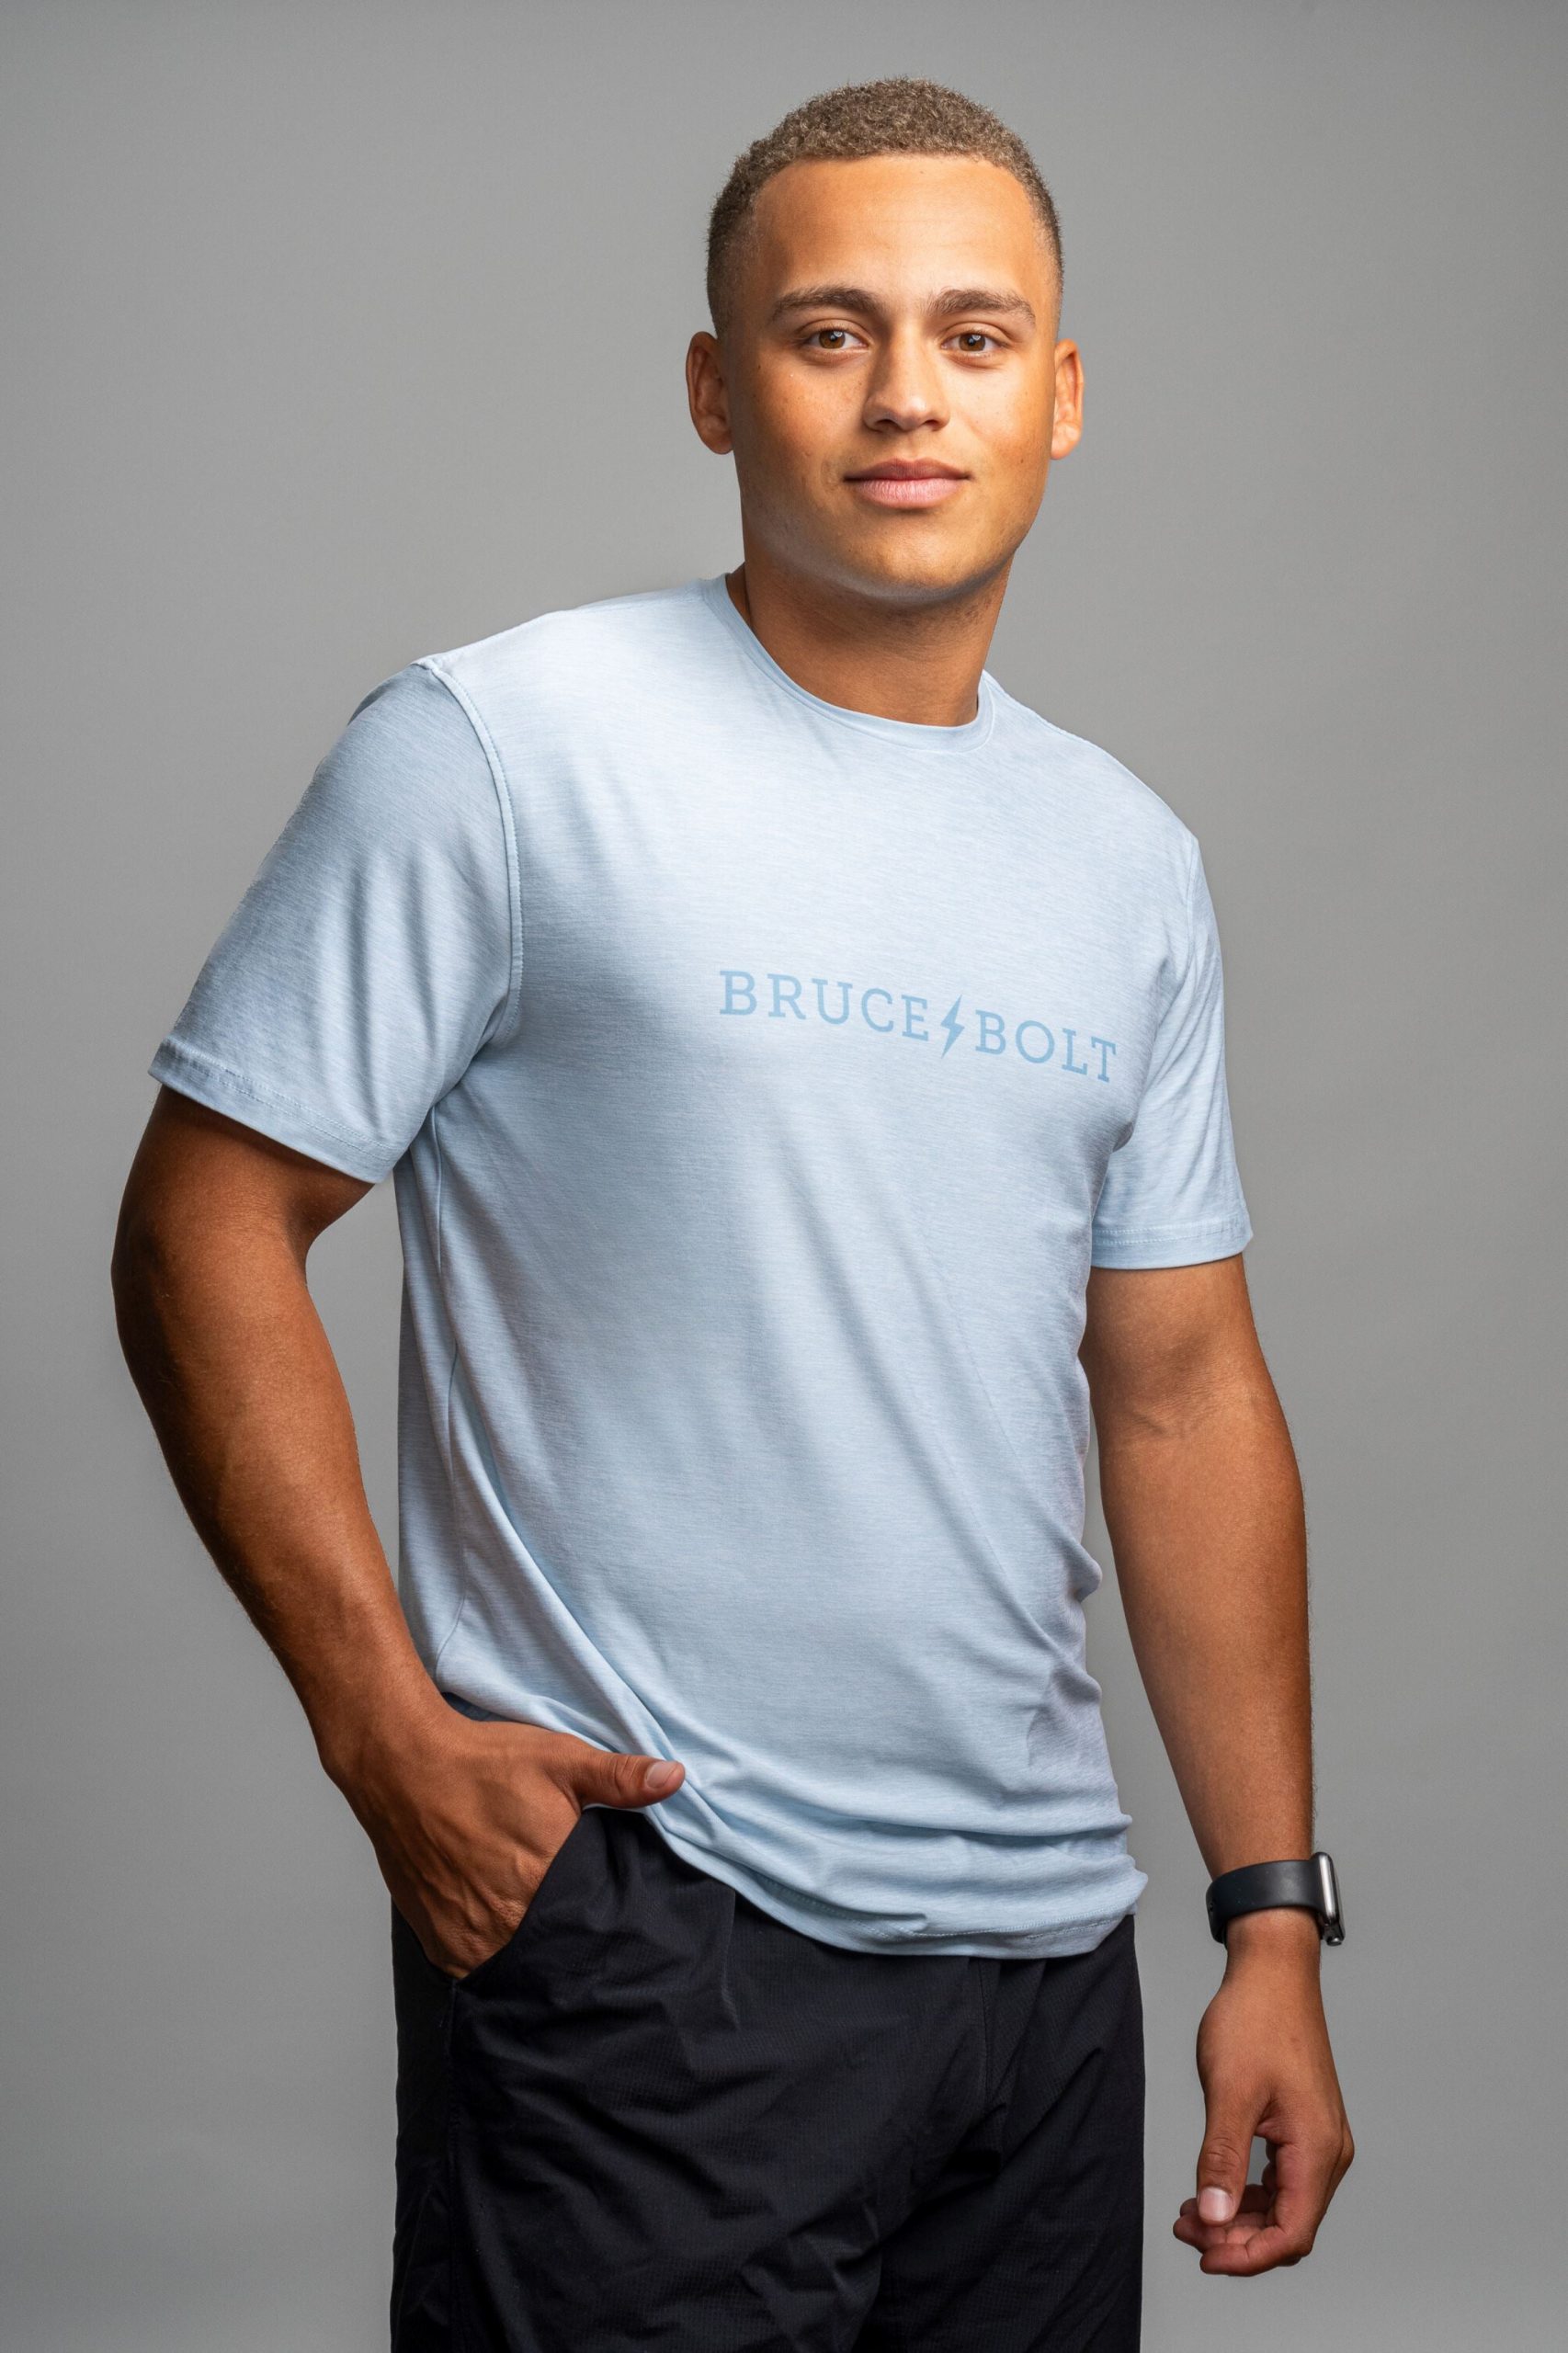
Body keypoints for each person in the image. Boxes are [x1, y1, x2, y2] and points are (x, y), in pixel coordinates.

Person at [112, 73, 1353, 2353]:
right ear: (716, 385)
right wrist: (382, 1729)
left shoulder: (1124, 859)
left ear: (1061, 393)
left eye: (974, 335)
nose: (907, 395)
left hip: (1042, 1963)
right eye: (827, 331)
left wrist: (1266, 1912)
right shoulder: (502, 745)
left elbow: (1179, 1389)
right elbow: (204, 1218)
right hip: (655, 1929)